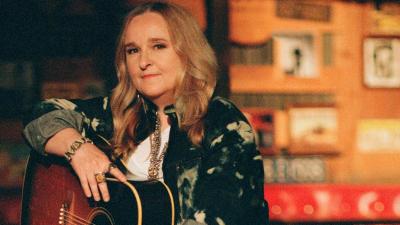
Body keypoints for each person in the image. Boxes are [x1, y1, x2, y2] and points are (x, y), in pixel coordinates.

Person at [23, 2, 269, 225]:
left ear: (187, 52)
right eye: (133, 50)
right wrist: (79, 149)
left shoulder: (221, 120)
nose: (143, 61)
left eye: (158, 46)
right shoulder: (115, 115)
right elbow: (40, 115)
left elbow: (222, 214)